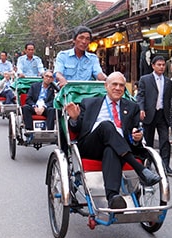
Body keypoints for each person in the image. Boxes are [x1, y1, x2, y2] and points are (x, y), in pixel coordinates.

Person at [65, 72, 161, 209]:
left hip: (118, 148)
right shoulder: (89, 103)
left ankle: (112, 198)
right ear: (106, 86)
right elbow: (77, 128)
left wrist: (136, 137)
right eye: (114, 84)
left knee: (111, 150)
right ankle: (140, 169)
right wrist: (74, 118)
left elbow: (134, 134)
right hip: (91, 146)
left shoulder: (132, 107)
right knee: (106, 125)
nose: (118, 88)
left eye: (121, 85)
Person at [137, 56, 172, 175]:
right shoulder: (145, 79)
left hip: (162, 114)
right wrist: (141, 109)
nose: (161, 67)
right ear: (153, 66)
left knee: (165, 140)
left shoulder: (168, 81)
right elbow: (140, 95)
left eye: (163, 65)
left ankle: (165, 166)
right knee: (148, 141)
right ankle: (147, 164)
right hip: (149, 113)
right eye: (159, 65)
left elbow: (169, 98)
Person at [22, 70, 56, 142]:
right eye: (47, 76)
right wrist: (35, 107)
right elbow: (28, 99)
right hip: (35, 106)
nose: (48, 78)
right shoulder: (34, 86)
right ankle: (29, 131)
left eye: (50, 77)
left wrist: (44, 107)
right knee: (25, 107)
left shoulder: (53, 89)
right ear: (43, 77)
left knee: (52, 110)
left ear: (52, 79)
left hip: (45, 108)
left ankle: (49, 132)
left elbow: (53, 100)